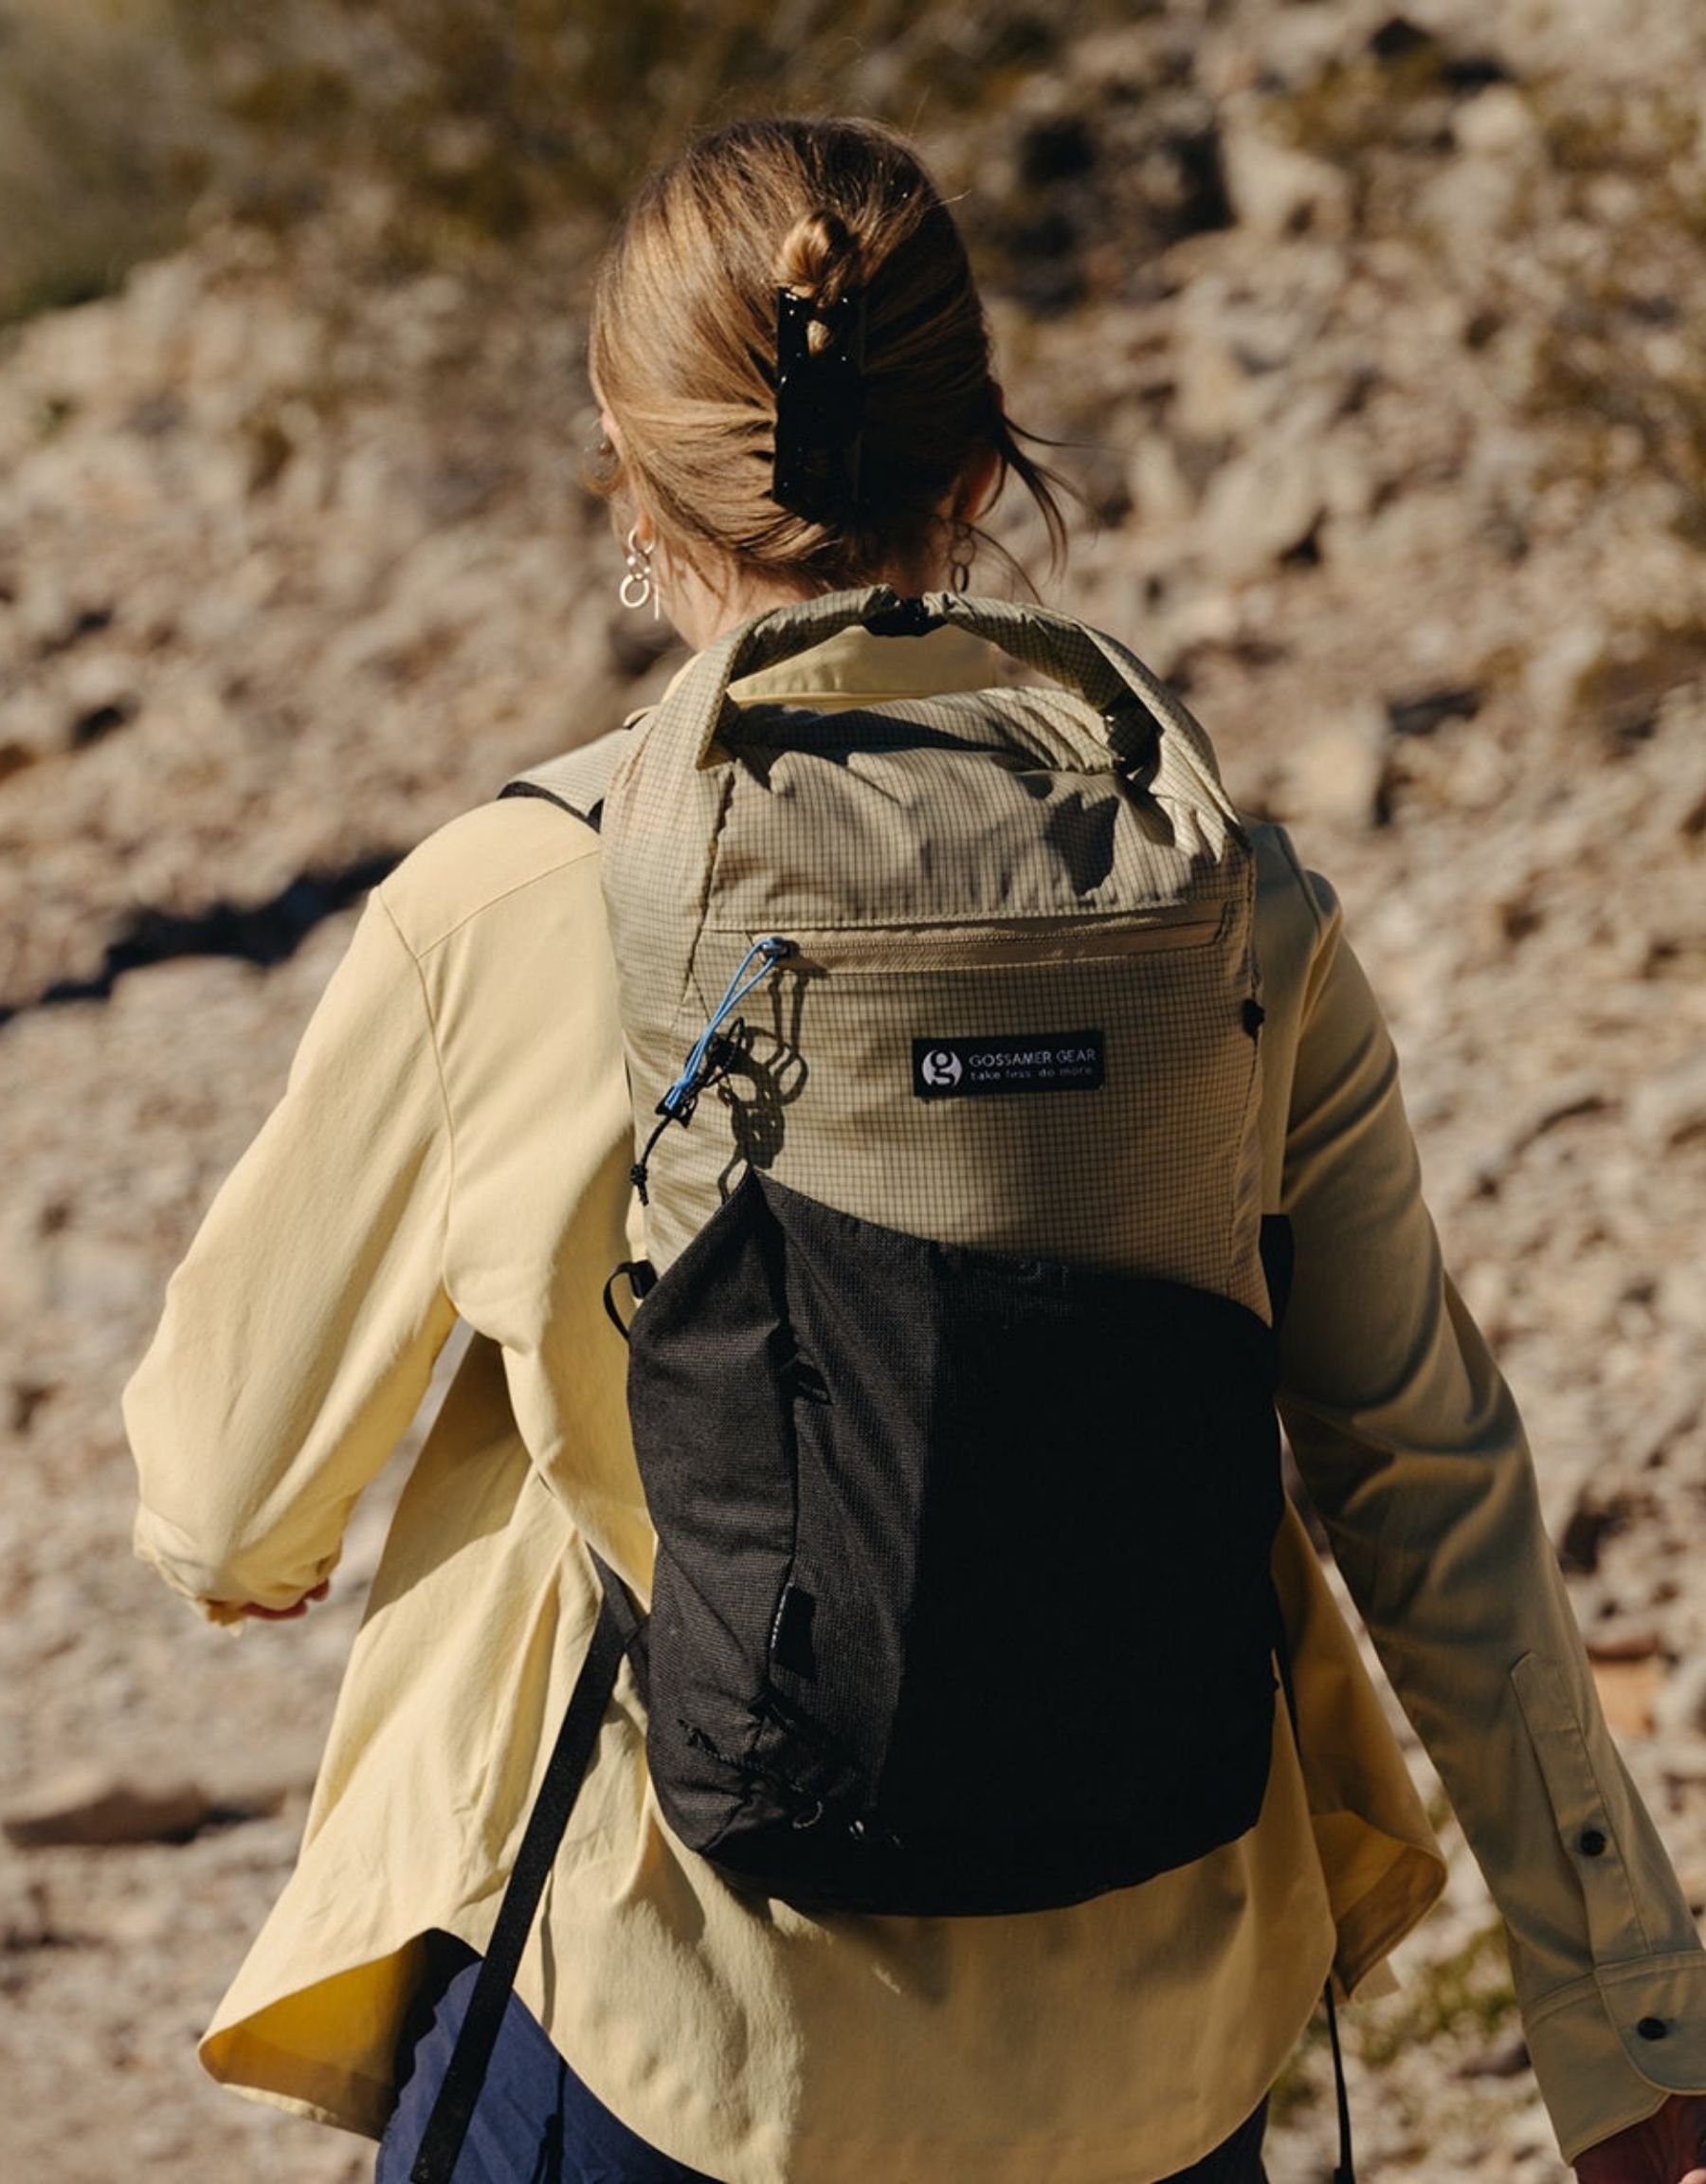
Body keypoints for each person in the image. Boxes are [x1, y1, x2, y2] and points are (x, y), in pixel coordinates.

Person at [126, 117, 1706, 2184]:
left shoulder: (512, 904)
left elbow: (228, 1503)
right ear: (980, 469)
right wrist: (1620, 2002)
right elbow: (1427, 1472)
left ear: (630, 465)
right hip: (1164, 2052)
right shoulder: (1228, 903)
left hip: (678, 2041)